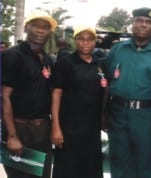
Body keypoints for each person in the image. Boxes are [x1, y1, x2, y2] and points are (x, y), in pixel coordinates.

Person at [105, 7, 151, 178]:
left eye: (149, 22)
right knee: (118, 161)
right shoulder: (117, 50)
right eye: (139, 20)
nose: (143, 25)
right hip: (118, 113)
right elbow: (107, 81)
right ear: (133, 23)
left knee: (143, 164)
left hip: (148, 117)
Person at [1, 10, 57, 178]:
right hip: (19, 129)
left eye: (45, 27)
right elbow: (5, 97)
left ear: (50, 32)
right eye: (36, 26)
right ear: (26, 28)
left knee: (43, 175)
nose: (40, 31)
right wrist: (12, 136)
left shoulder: (47, 59)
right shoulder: (12, 55)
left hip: (42, 130)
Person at [51, 26, 106, 178]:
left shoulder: (101, 64)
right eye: (81, 39)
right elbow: (56, 93)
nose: (85, 43)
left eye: (89, 39)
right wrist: (56, 127)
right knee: (67, 170)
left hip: (92, 129)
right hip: (69, 129)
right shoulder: (65, 63)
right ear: (75, 41)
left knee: (90, 170)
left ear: (95, 42)